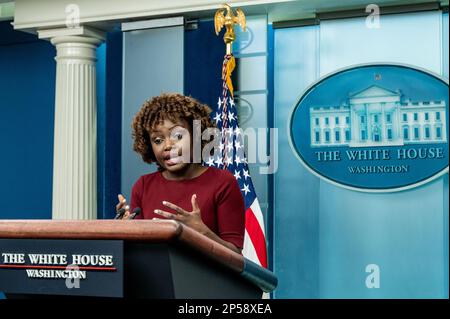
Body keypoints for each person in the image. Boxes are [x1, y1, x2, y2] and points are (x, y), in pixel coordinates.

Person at [116, 93, 245, 254]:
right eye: (158, 140)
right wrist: (124, 230)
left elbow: (236, 257)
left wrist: (202, 232)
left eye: (177, 136)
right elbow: (138, 252)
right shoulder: (142, 186)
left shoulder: (223, 183)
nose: (168, 145)